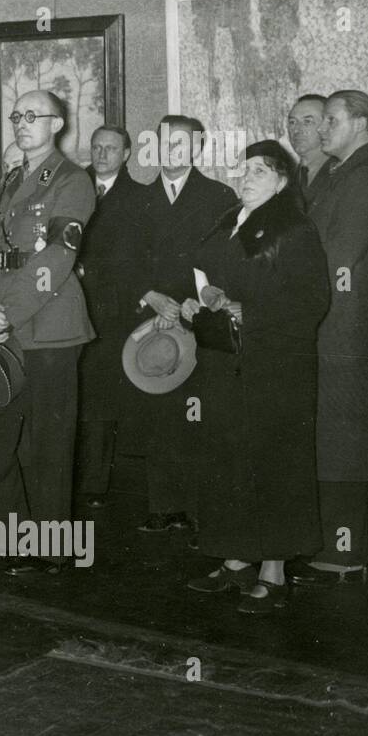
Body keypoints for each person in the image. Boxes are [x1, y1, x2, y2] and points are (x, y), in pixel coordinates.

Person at [182, 140, 329, 613]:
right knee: (226, 458)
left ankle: (274, 571)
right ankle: (234, 561)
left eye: (259, 172)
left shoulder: (295, 229)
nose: (245, 178)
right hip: (226, 361)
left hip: (274, 368)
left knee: (273, 464)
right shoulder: (229, 222)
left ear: (283, 181)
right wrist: (198, 301)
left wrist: (251, 310)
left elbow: (313, 303)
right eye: (243, 169)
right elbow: (207, 275)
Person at [0, 90, 95, 573]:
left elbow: (57, 257)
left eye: (32, 116)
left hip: (51, 328)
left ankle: (55, 550)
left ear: (57, 124)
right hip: (1, 325)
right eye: (16, 116)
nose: (21, 123)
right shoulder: (9, 181)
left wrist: (6, 311)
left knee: (50, 444)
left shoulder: (73, 181)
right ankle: (10, 539)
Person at [294, 89, 368, 584]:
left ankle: (343, 553)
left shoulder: (367, 175)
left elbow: (338, 258)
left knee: (343, 440)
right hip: (337, 324)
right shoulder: (346, 172)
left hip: (344, 330)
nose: (322, 128)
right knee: (340, 437)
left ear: (360, 123)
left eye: (330, 119)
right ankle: (361, 547)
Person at [134, 115, 238, 535]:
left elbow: (229, 260)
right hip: (151, 322)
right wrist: (150, 294)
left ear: (197, 147)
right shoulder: (136, 200)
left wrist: (202, 299)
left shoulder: (219, 195)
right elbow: (122, 261)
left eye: (182, 142)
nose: (172, 150)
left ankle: (202, 508)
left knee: (201, 414)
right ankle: (164, 504)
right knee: (159, 412)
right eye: (164, 142)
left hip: (200, 321)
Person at [74, 125, 146, 511]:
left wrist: (90, 272)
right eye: (97, 147)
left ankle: (94, 484)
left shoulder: (138, 197)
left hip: (110, 311)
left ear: (127, 153)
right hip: (66, 305)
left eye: (111, 148)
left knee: (101, 398)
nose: (102, 154)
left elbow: (135, 258)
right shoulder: (71, 185)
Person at [287, 94, 330, 202]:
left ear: (327, 126)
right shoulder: (286, 178)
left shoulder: (343, 174)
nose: (297, 130)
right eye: (292, 122)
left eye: (307, 122)